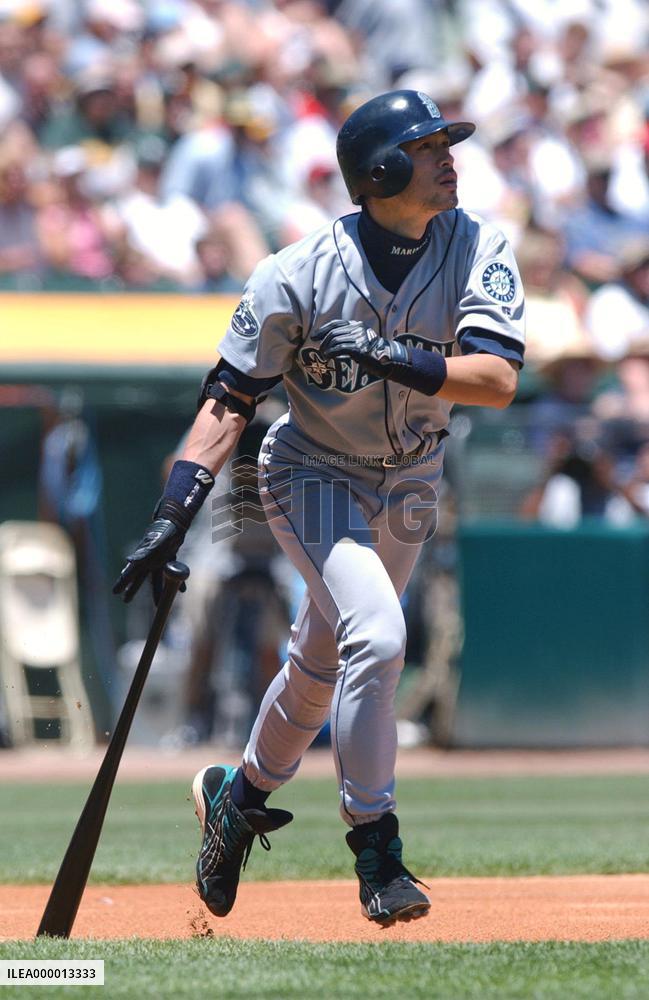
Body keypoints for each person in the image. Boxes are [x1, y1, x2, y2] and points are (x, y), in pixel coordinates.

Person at [113, 90, 525, 925]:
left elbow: (498, 380)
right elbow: (229, 399)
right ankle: (376, 851)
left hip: (410, 474)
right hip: (312, 472)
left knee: (320, 661)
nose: (450, 156)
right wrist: (172, 512)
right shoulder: (294, 273)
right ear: (379, 172)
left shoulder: (480, 242)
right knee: (376, 632)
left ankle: (237, 797)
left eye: (448, 141)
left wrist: (391, 357)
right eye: (429, 145)